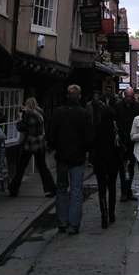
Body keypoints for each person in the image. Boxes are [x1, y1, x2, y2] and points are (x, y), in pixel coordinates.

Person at [45, 84, 94, 234]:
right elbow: (89, 137)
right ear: (79, 97)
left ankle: (62, 222)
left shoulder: (58, 112)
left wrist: (57, 146)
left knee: (61, 188)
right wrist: (83, 150)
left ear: (67, 96)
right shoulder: (83, 113)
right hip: (77, 158)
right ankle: (73, 225)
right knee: (76, 191)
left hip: (62, 157)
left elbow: (50, 134)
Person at [8, 98, 56, 198]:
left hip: (30, 143)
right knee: (43, 167)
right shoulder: (40, 113)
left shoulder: (28, 116)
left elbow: (21, 128)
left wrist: (20, 118)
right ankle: (52, 188)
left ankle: (14, 189)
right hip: (40, 143)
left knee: (21, 167)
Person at [93, 104, 121, 228]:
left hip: (100, 162)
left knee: (102, 189)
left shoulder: (96, 127)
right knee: (112, 187)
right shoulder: (115, 126)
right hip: (113, 161)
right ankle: (112, 213)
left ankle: (104, 215)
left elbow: (91, 144)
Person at [114, 86, 139, 202]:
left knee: (130, 167)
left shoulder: (137, 107)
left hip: (133, 141)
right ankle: (124, 191)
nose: (129, 99)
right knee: (122, 167)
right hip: (122, 142)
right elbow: (116, 122)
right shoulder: (118, 106)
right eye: (127, 96)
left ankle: (129, 190)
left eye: (131, 96)